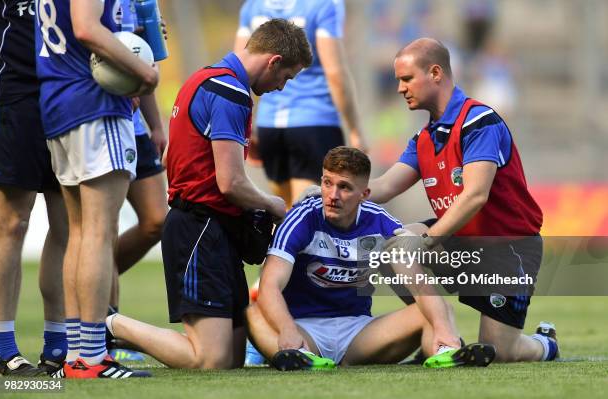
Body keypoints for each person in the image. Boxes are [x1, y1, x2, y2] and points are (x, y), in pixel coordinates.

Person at [105, 19, 312, 370]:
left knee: (231, 358)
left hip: (210, 227)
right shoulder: (230, 92)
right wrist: (272, 204)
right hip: (200, 228)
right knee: (211, 360)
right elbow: (230, 182)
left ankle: (113, 327)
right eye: (286, 77)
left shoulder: (203, 78)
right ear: (274, 61)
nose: (281, 87)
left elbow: (172, 157)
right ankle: (108, 322)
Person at [370, 38, 558, 363]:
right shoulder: (424, 138)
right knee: (391, 248)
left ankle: (546, 345)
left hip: (507, 247)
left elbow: (474, 196)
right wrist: (335, 190)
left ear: (435, 73)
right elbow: (385, 186)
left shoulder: (478, 122)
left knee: (501, 352)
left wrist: (428, 240)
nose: (400, 88)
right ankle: (441, 337)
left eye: (407, 78)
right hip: (460, 241)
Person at [247, 146, 494, 370]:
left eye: (344, 187)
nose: (333, 195)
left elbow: (417, 284)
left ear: (364, 194)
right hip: (303, 328)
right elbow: (270, 286)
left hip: (358, 333)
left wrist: (441, 327)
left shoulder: (380, 223)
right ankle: (299, 356)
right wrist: (288, 331)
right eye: (327, 183)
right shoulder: (301, 219)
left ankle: (446, 352)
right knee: (252, 313)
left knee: (434, 311)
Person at [35, 0, 158, 378]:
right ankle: (91, 357)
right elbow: (87, 27)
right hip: (94, 103)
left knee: (79, 233)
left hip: (59, 102)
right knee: (98, 234)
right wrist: (145, 74)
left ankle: (77, 354)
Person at [234, 0, 368, 208]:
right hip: (315, 122)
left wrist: (245, 127)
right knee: (308, 215)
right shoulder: (325, 4)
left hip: (269, 126)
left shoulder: (253, 6)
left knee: (287, 212)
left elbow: (241, 66)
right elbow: (335, 73)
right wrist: (355, 131)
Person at [0, 0, 68, 377]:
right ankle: (2, 347)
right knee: (11, 222)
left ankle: (58, 346)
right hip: (16, 93)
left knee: (67, 223)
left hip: (68, 93)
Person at [108, 0, 169, 362]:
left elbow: (144, 62)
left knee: (156, 221)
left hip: (135, 127)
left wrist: (156, 123)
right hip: (99, 117)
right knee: (99, 232)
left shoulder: (144, 2)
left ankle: (91, 286)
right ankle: (101, 332)